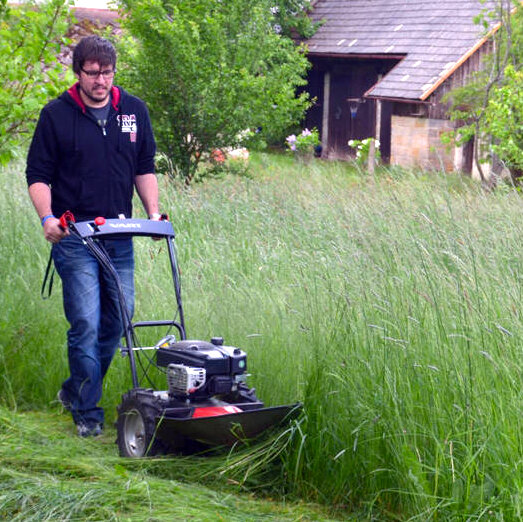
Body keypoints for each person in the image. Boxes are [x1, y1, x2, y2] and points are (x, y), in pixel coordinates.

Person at [26, 35, 160, 437]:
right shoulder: (56, 115)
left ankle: (74, 390)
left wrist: (153, 214)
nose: (101, 80)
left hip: (119, 233)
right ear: (78, 72)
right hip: (74, 235)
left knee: (119, 317)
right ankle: (88, 413)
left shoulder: (133, 111)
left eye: (107, 72)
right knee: (85, 320)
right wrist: (47, 217)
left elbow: (145, 167)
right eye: (92, 73)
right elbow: (38, 176)